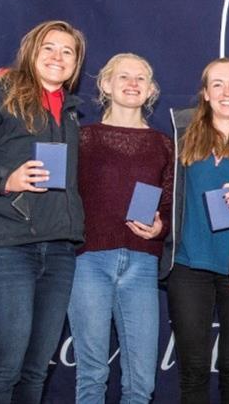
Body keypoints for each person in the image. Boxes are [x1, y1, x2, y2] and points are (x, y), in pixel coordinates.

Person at [0, 20, 86, 403]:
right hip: (5, 245)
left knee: (35, 371)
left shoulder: (71, 112)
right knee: (2, 369)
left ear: (77, 63)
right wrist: (3, 179)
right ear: (31, 52)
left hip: (58, 251)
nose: (58, 57)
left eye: (68, 51)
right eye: (49, 48)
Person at [67, 53, 173, 403]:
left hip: (143, 265)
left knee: (141, 382)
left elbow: (171, 203)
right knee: (92, 374)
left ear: (151, 89)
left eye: (141, 78)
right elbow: (61, 196)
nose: (132, 83)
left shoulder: (164, 144)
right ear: (105, 85)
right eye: (123, 76)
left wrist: (160, 227)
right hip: (88, 262)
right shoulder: (81, 138)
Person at [159, 57, 229, 404]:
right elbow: (162, 188)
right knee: (193, 370)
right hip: (188, 266)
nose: (227, 92)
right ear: (204, 93)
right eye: (217, 84)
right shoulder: (181, 134)